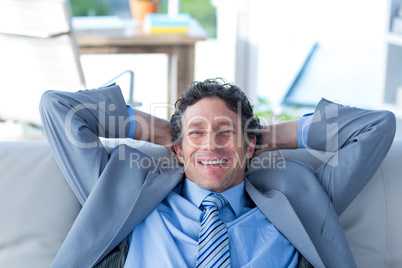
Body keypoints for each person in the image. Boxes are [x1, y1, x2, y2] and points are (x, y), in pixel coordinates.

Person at [40, 78, 396, 268]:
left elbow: (376, 126)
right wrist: (164, 132)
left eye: (226, 131)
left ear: (249, 147)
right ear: (178, 150)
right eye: (197, 132)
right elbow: (59, 108)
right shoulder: (123, 192)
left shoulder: (301, 199)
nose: (211, 144)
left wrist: (267, 136)